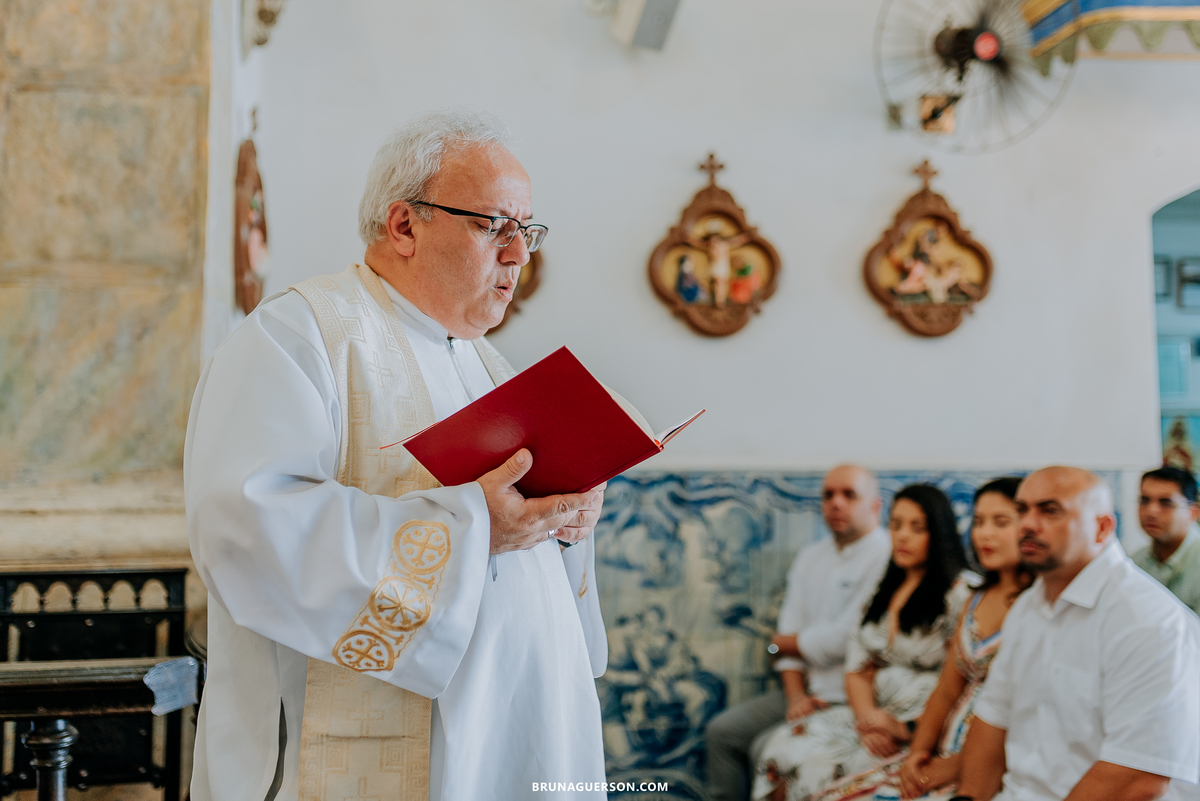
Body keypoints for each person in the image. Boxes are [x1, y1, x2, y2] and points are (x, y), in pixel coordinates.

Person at [185, 111, 609, 800]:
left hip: (518, 735)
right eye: (492, 225)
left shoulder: (494, 369)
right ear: (405, 225)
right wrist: (473, 527)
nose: (518, 254)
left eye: (525, 231)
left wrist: (566, 515)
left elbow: (524, 551)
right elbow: (245, 527)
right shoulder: (301, 336)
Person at [955, 466, 1200, 801]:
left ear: (1102, 528)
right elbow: (993, 717)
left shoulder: (1149, 622)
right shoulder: (1028, 608)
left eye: (1050, 510)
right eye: (1022, 509)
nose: (1026, 524)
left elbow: (1137, 778)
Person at [809, 477, 1032, 801]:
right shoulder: (976, 599)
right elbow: (946, 690)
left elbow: (1027, 717)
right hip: (935, 744)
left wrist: (945, 761)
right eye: (980, 521)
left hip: (989, 761)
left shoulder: (1032, 606)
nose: (985, 533)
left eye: (1000, 522)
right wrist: (917, 753)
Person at [751, 485, 970, 801]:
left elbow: (958, 685)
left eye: (916, 527)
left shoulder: (960, 594)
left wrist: (902, 728)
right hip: (868, 715)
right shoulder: (884, 591)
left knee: (820, 769)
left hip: (921, 726)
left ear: (939, 533)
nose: (903, 536)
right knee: (780, 748)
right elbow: (856, 666)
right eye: (896, 525)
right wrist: (868, 719)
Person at [704, 465, 892, 801]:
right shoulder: (811, 557)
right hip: (803, 691)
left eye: (849, 495)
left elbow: (848, 639)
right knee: (722, 733)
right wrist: (795, 697)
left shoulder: (886, 556)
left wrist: (783, 644)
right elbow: (785, 634)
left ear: (875, 506)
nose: (836, 503)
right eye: (828, 495)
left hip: (851, 698)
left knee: (764, 748)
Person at [1132, 466, 1200, 616]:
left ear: (1193, 512)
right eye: (1144, 500)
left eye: (1166, 503)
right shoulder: (1135, 563)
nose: (1151, 511)